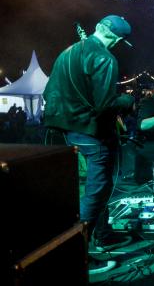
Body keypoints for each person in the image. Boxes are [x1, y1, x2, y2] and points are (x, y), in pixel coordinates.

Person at [43, 15, 135, 274]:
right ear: (117, 39)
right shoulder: (105, 58)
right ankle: (77, 252)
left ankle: (102, 234)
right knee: (98, 189)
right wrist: (126, 102)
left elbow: (48, 92)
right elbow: (104, 104)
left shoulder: (68, 51)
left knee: (92, 188)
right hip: (90, 132)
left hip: (64, 128)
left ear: (98, 28)